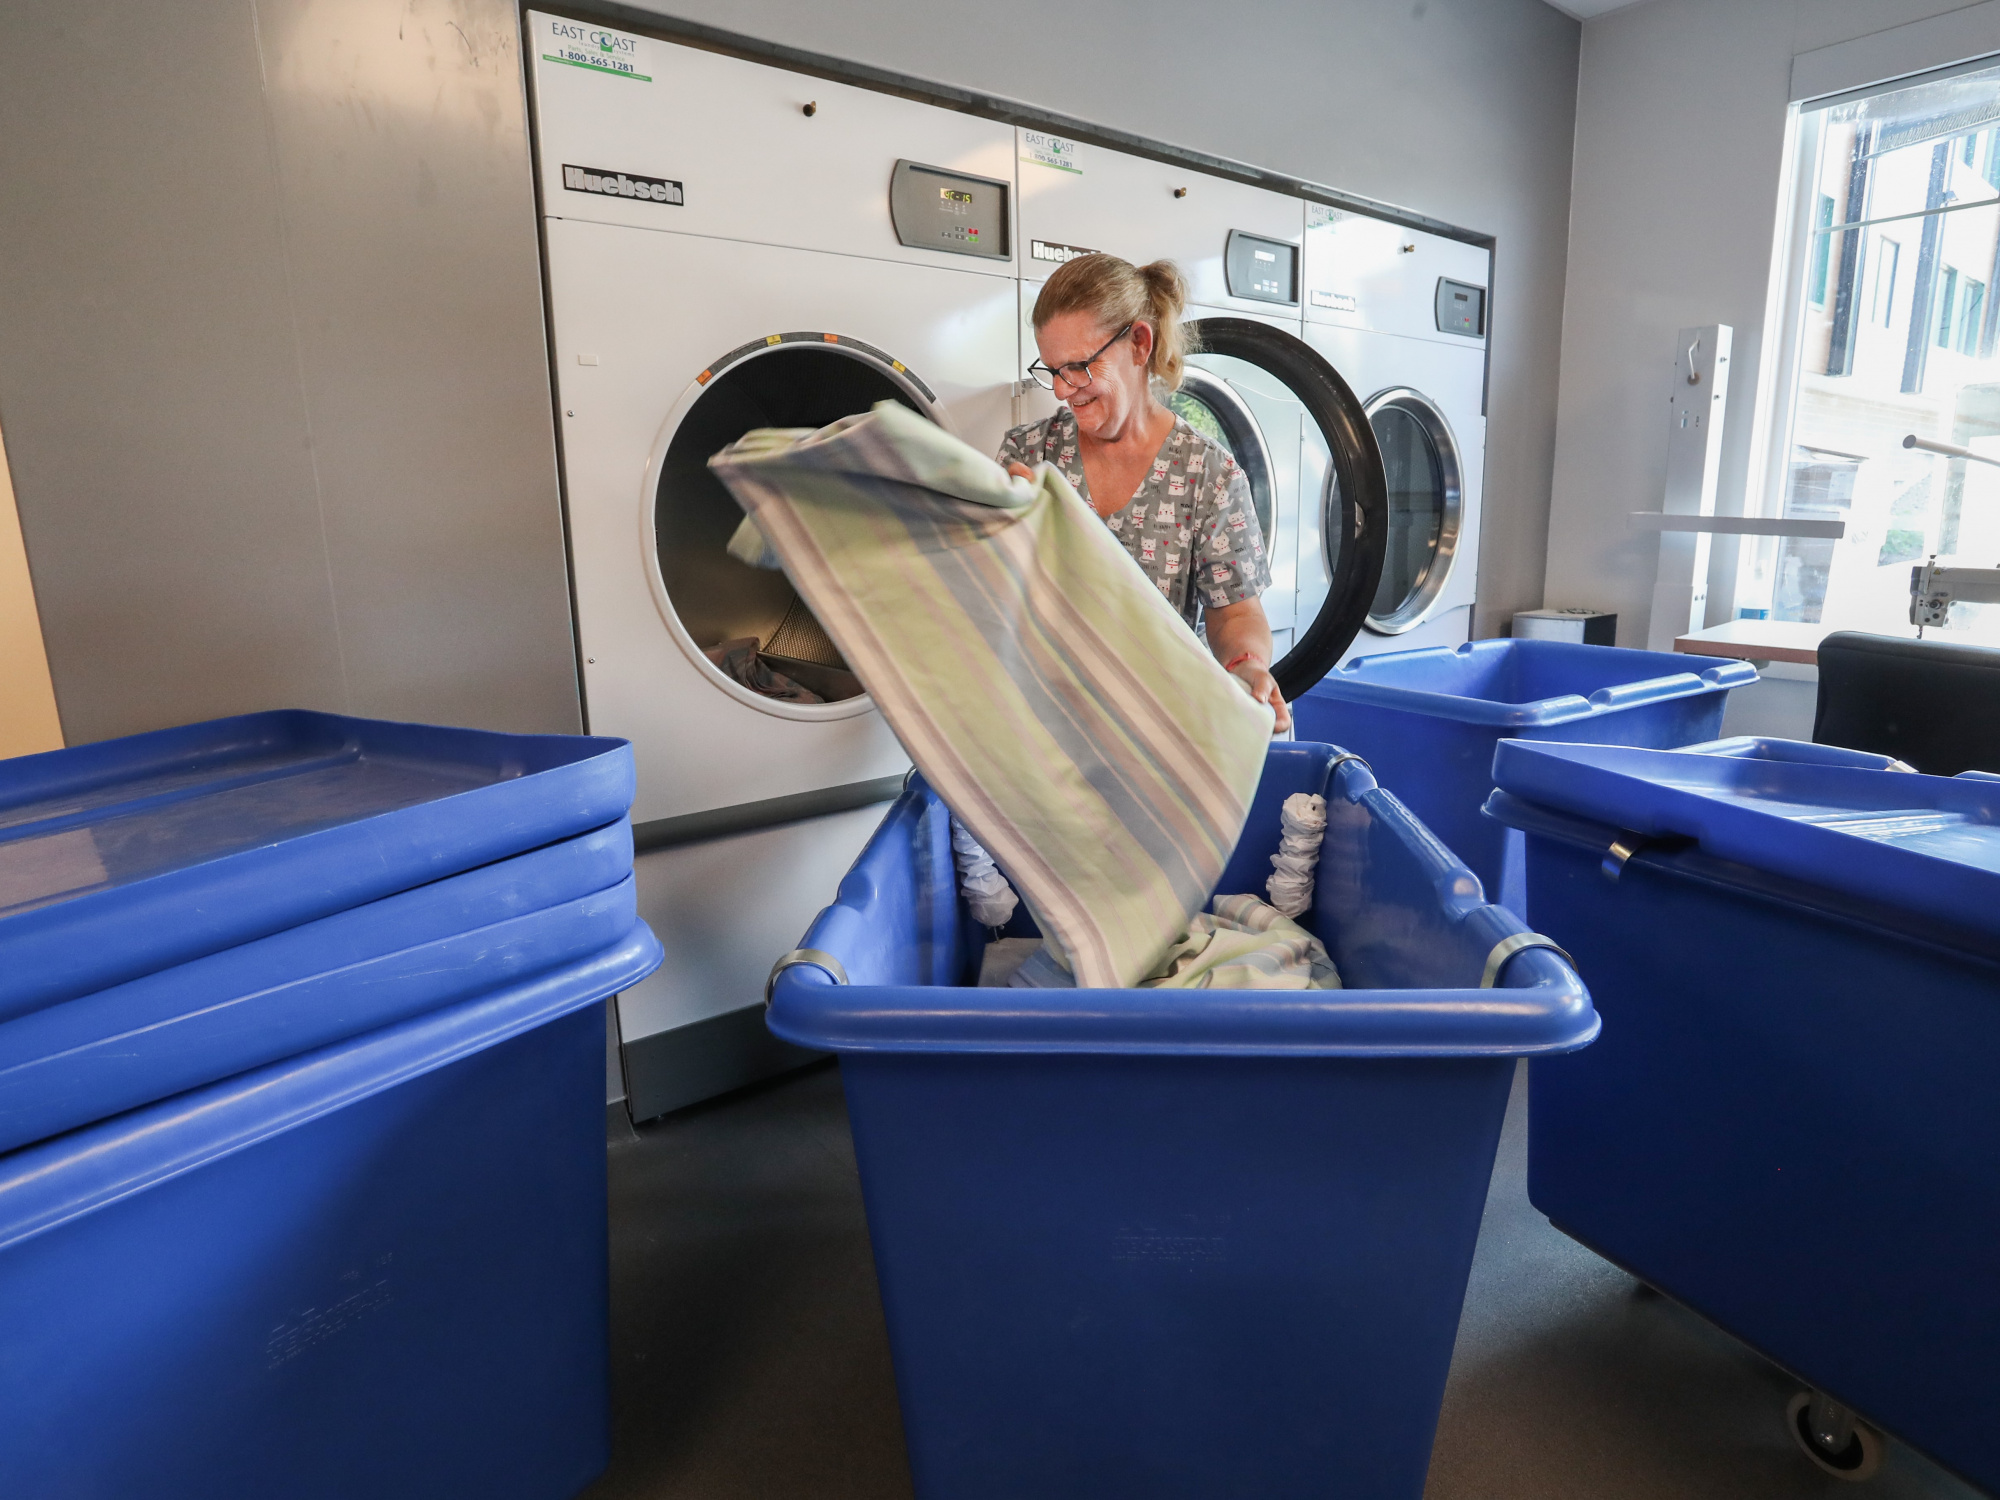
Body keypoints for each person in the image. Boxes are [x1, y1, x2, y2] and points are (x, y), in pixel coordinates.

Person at [998, 254, 1290, 730]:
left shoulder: (1208, 473)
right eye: (1050, 369)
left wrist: (1247, 665)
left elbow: (1234, 612)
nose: (1060, 390)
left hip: (1157, 726)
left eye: (1078, 367)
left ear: (1138, 343)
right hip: (1038, 721)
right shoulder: (1029, 452)